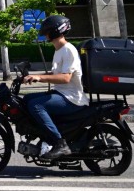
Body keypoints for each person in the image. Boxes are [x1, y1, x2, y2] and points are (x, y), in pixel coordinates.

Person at [21, 15, 89, 160]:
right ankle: (43, 135)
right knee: (26, 99)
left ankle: (60, 143)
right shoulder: (59, 50)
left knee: (36, 105)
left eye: (47, 31)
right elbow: (55, 74)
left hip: (72, 98)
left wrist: (40, 78)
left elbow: (65, 78)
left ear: (54, 31)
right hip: (62, 93)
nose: (45, 35)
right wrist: (33, 76)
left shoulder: (68, 50)